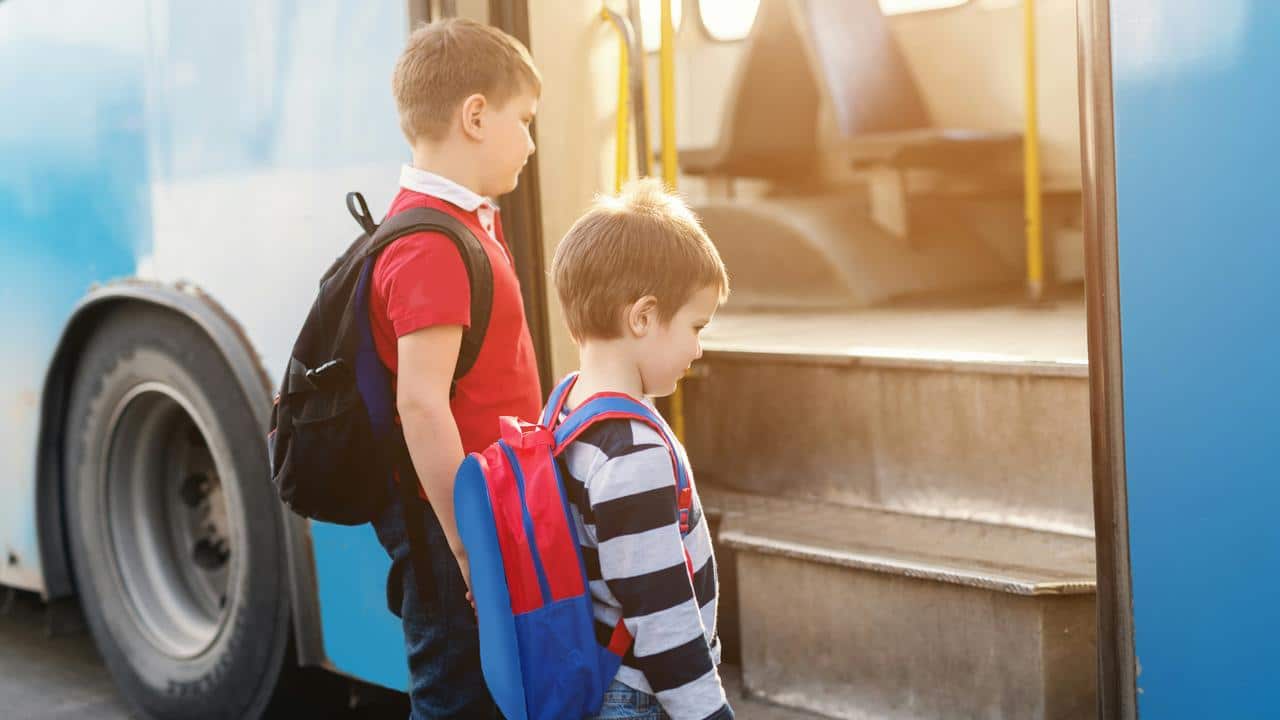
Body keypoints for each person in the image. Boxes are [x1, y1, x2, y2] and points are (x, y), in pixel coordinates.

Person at [368, 17, 542, 718]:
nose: (531, 142)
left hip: (478, 514)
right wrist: (467, 547)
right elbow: (422, 404)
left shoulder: (460, 221)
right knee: (454, 698)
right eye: (523, 121)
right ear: (475, 116)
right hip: (453, 530)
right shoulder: (433, 243)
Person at [550, 179, 735, 720]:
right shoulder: (631, 455)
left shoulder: (566, 405)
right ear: (644, 317)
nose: (698, 348)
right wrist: (708, 713)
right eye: (695, 327)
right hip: (643, 693)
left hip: (610, 670)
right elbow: (662, 618)